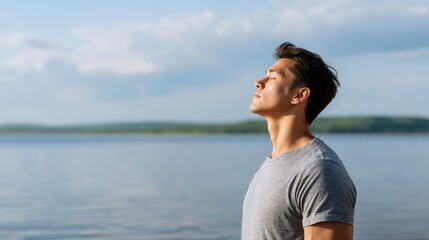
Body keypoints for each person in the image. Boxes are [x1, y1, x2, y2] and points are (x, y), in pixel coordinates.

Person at [241, 42, 356, 240]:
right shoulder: (268, 167)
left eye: (273, 77)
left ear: (299, 95)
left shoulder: (320, 170)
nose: (259, 82)